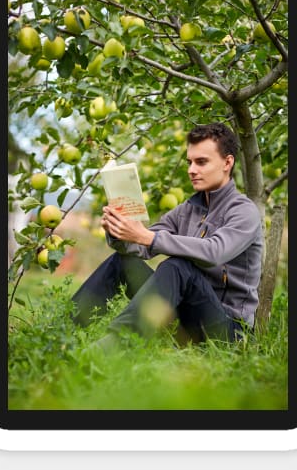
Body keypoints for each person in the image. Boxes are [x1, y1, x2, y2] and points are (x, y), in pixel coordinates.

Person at [71, 122, 263, 347]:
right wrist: (119, 231)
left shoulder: (244, 211)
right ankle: (61, 332)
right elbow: (142, 245)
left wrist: (147, 237)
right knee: (122, 262)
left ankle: (114, 346)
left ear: (227, 163)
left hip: (227, 330)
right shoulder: (188, 209)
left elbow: (214, 252)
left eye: (201, 162)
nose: (192, 169)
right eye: (190, 162)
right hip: (183, 318)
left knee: (178, 267)